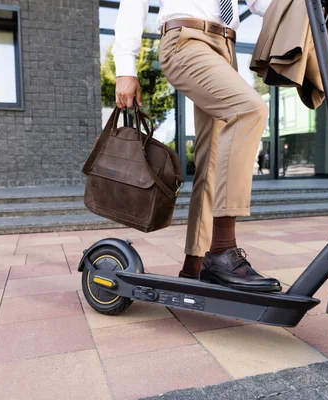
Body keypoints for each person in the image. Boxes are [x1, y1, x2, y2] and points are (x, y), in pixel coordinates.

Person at [113, 0, 280, 292]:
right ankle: (223, 249)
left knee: (214, 158)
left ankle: (195, 266)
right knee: (248, 110)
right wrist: (125, 66)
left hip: (226, 48)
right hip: (186, 40)